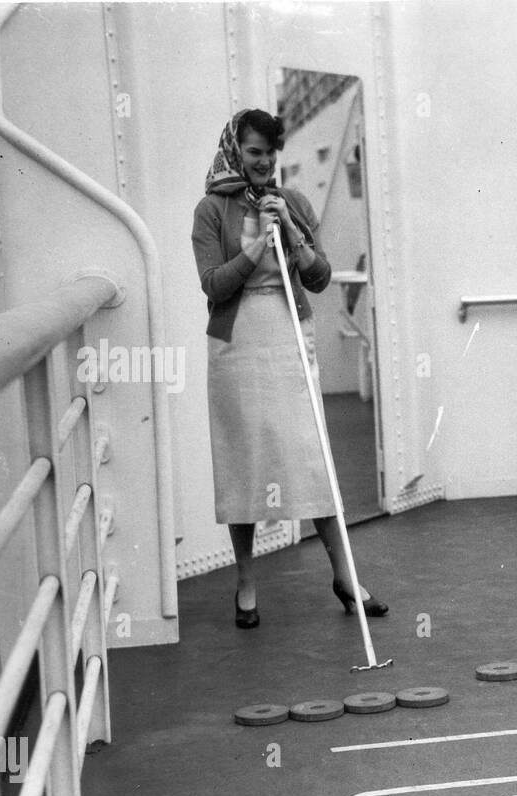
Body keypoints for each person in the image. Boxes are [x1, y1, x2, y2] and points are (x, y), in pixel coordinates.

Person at [191, 108, 387, 628]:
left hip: (289, 338)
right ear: (237, 150)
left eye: (271, 153)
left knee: (311, 458)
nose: (263, 162)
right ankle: (246, 581)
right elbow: (213, 285)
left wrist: (294, 238)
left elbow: (319, 279)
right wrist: (256, 247)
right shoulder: (210, 210)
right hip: (237, 347)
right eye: (254, 152)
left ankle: (345, 576)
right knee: (245, 461)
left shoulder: (293, 203)